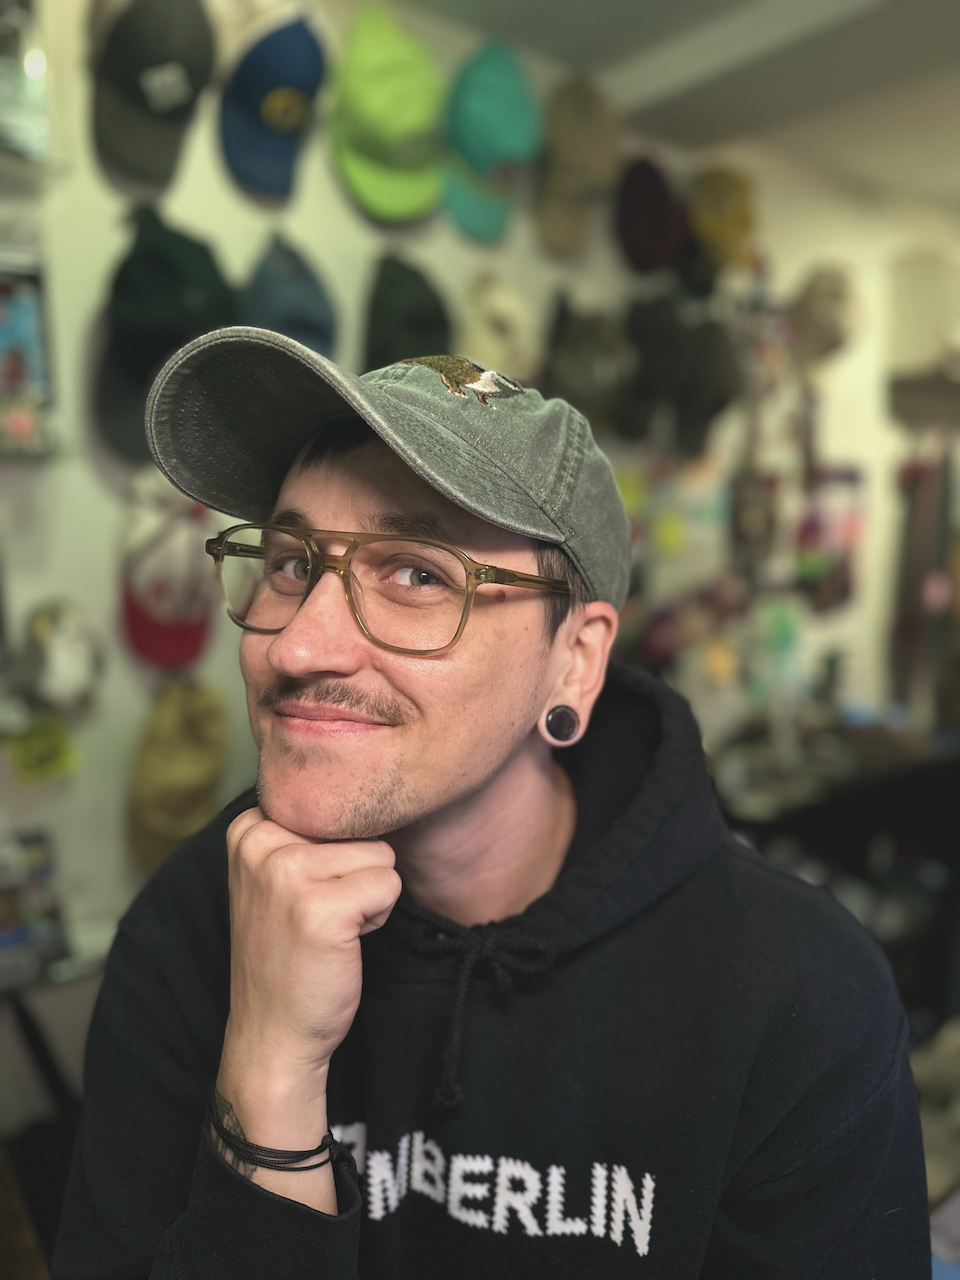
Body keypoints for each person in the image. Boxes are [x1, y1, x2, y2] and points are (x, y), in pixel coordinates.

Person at [53, 328, 929, 1278]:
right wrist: (268, 1075)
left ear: (577, 658)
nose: (299, 647)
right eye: (292, 561)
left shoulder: (796, 996)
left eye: (418, 574)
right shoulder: (188, 935)